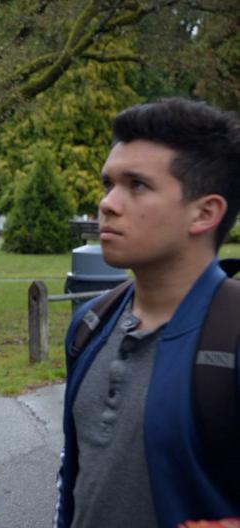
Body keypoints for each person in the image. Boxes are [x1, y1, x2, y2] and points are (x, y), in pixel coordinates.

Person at [54, 99, 240, 528]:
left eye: (137, 185)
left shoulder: (230, 339)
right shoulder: (89, 323)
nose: (107, 204)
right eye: (108, 183)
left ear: (205, 212)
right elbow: (75, 484)